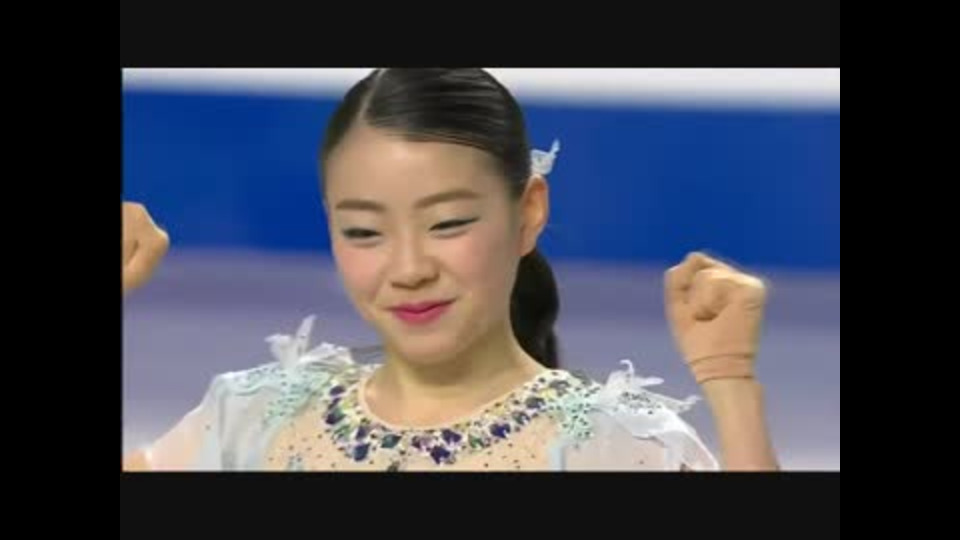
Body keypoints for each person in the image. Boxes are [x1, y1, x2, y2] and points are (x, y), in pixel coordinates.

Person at [122, 68, 779, 472]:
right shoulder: (251, 420)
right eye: (364, 232)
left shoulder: (618, 445)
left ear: (529, 212)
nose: (408, 269)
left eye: (448, 224)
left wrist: (731, 384)